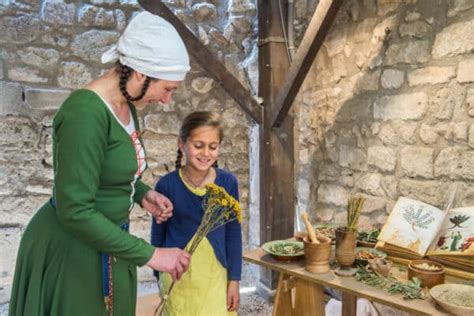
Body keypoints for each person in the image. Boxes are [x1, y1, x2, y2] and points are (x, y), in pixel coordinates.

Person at [9, 12, 192, 316]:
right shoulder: (84, 114)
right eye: (167, 88)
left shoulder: (125, 105)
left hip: (107, 243)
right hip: (71, 250)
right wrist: (152, 255)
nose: (167, 101)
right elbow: (75, 210)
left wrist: (141, 193)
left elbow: (108, 169)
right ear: (139, 74)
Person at [151, 111, 243, 315]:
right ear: (181, 144)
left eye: (213, 147)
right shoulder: (166, 185)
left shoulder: (228, 183)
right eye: (198, 145)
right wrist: (158, 274)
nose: (206, 153)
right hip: (178, 276)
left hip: (214, 275)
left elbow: (233, 234)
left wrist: (234, 279)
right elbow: (158, 234)